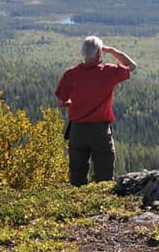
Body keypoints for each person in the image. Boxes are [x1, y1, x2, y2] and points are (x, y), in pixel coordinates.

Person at [55, 36, 137, 186]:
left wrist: (75, 103)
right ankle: (102, 200)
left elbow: (60, 102)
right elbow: (131, 65)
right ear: (99, 53)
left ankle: (77, 198)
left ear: (83, 52)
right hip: (100, 131)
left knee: (77, 175)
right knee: (104, 176)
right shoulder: (108, 72)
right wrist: (112, 50)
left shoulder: (71, 74)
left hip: (77, 131)